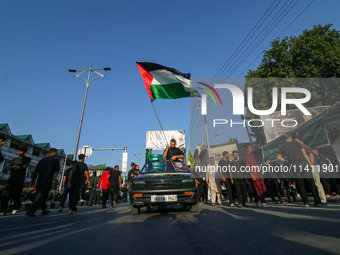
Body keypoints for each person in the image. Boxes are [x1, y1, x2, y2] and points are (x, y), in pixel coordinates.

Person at [277, 134, 322, 207]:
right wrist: (310, 164)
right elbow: (304, 154)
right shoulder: (297, 143)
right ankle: (317, 201)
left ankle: (306, 203)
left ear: (284, 140)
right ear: (291, 138)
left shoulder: (283, 147)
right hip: (303, 164)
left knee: (301, 185)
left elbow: (278, 157)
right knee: (310, 182)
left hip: (294, 166)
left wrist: (286, 160)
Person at [26, 148, 60, 217]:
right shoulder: (55, 160)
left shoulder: (42, 160)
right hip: (47, 180)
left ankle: (44, 209)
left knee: (42, 195)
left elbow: (36, 171)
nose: (56, 154)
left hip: (39, 180)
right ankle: (30, 210)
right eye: (56, 153)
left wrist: (32, 181)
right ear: (53, 153)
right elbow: (57, 169)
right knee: (40, 196)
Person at [295, 137, 327, 205]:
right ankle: (317, 199)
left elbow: (311, 156)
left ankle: (323, 200)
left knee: (317, 183)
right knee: (312, 184)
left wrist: (311, 166)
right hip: (307, 168)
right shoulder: (299, 149)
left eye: (297, 141)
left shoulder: (306, 147)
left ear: (301, 141)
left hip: (313, 166)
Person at [0, 146, 31, 216]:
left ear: (24, 152)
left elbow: (23, 167)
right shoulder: (14, 159)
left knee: (15, 193)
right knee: (5, 194)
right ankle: (3, 210)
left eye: (21, 151)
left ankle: (17, 206)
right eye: (18, 151)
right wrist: (16, 167)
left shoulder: (27, 159)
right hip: (11, 178)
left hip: (19, 179)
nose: (19, 153)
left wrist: (15, 167)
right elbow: (9, 168)